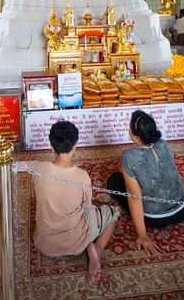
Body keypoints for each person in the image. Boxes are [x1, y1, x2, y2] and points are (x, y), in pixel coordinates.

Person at [33, 120, 120, 282]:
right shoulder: (82, 176)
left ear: (51, 147)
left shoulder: (39, 169)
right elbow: (86, 205)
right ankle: (97, 248)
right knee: (113, 213)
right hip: (75, 242)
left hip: (44, 243)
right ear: (75, 147)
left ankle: (90, 244)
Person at [107, 110, 184, 256]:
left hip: (155, 219)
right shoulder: (163, 144)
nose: (128, 130)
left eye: (129, 128)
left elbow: (134, 197)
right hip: (182, 209)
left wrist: (142, 235)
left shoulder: (129, 157)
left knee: (113, 181)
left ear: (137, 138)